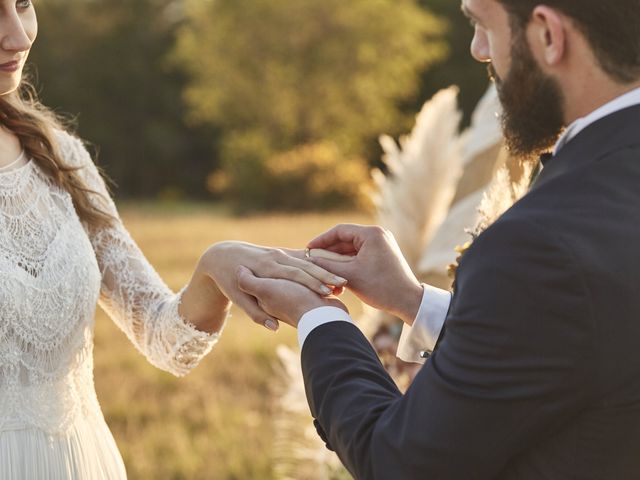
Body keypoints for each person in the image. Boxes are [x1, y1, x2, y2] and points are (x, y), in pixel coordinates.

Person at [237, 0, 640, 478]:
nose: (477, 50)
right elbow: (591, 338)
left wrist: (318, 316)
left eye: (481, 25)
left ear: (549, 35)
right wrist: (413, 301)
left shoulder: (537, 243)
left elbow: (400, 461)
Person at [0, 1, 345, 478]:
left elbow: (168, 341)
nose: (17, 36)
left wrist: (215, 266)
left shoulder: (57, 156)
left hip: (80, 462)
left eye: (21, 4)